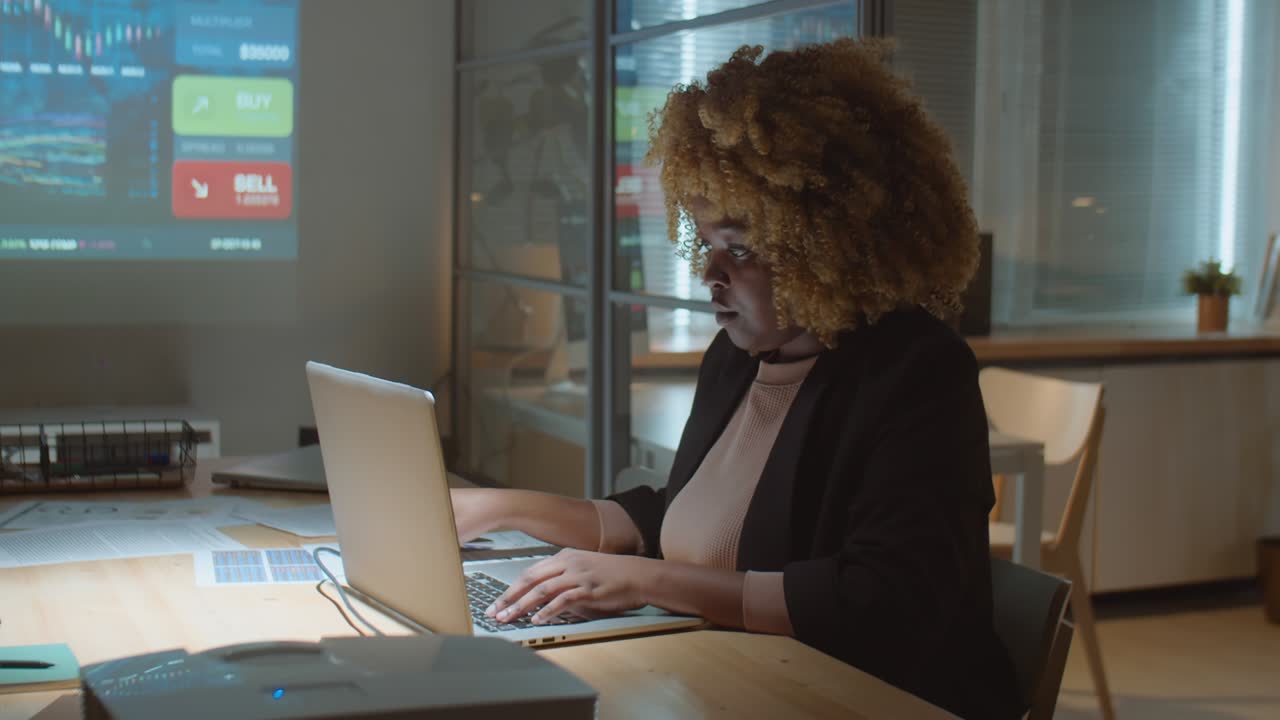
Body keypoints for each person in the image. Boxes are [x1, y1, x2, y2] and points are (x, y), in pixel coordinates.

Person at [451, 38, 1022, 719]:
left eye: (741, 249)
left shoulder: (915, 371)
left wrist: (648, 582)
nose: (709, 276)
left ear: (834, 245)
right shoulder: (737, 357)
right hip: (732, 682)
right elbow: (690, 519)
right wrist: (501, 507)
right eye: (707, 243)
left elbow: (883, 600)